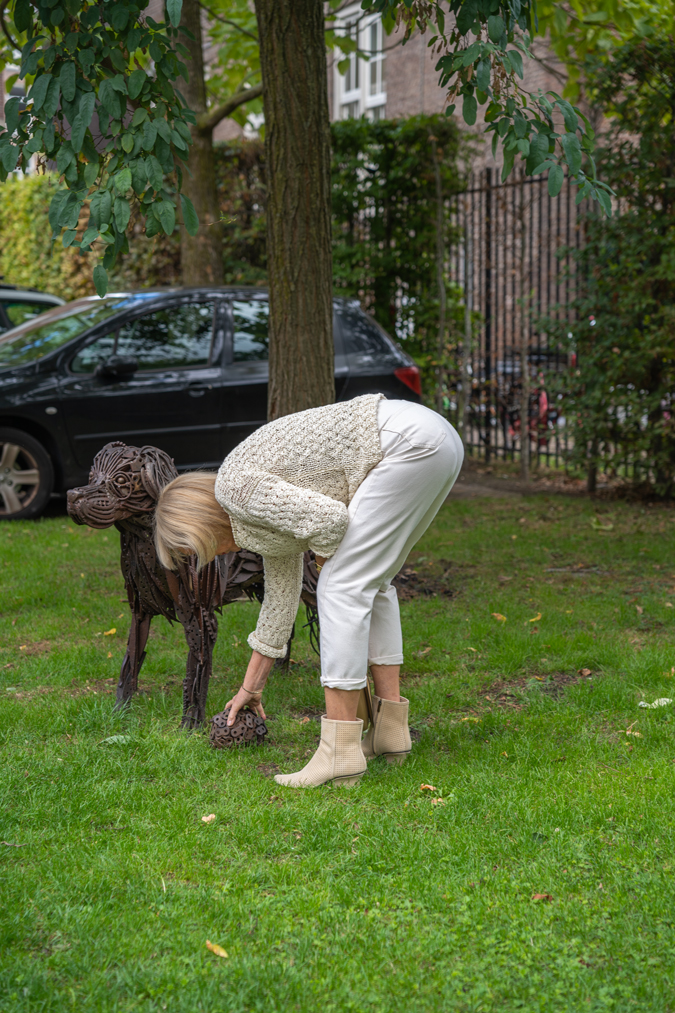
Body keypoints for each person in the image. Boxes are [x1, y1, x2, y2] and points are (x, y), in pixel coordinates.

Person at [154, 394, 463, 788]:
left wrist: (327, 564)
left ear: (197, 527)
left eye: (190, 549)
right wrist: (251, 687)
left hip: (407, 443)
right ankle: (389, 732)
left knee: (341, 587)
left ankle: (339, 751)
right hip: (432, 438)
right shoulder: (254, 517)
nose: (202, 557)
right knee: (373, 583)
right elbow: (279, 604)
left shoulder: (235, 487)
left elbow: (331, 522)